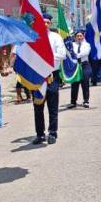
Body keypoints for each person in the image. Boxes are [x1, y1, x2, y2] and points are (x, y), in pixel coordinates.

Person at [30, 14, 67, 144]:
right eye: (43, 22)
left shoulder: (55, 37)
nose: (45, 24)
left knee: (52, 106)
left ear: (50, 24)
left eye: (47, 22)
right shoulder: (34, 37)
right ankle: (40, 134)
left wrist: (46, 56)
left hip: (52, 75)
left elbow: (62, 55)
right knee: (37, 107)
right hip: (38, 76)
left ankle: (52, 132)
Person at [68, 30, 92, 109]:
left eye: (80, 36)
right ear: (75, 37)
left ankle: (86, 101)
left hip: (84, 65)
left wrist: (75, 55)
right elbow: (69, 53)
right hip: (75, 66)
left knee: (85, 84)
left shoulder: (87, 44)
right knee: (74, 84)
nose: (79, 37)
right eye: (77, 36)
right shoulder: (72, 45)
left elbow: (85, 53)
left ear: (83, 36)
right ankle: (73, 102)